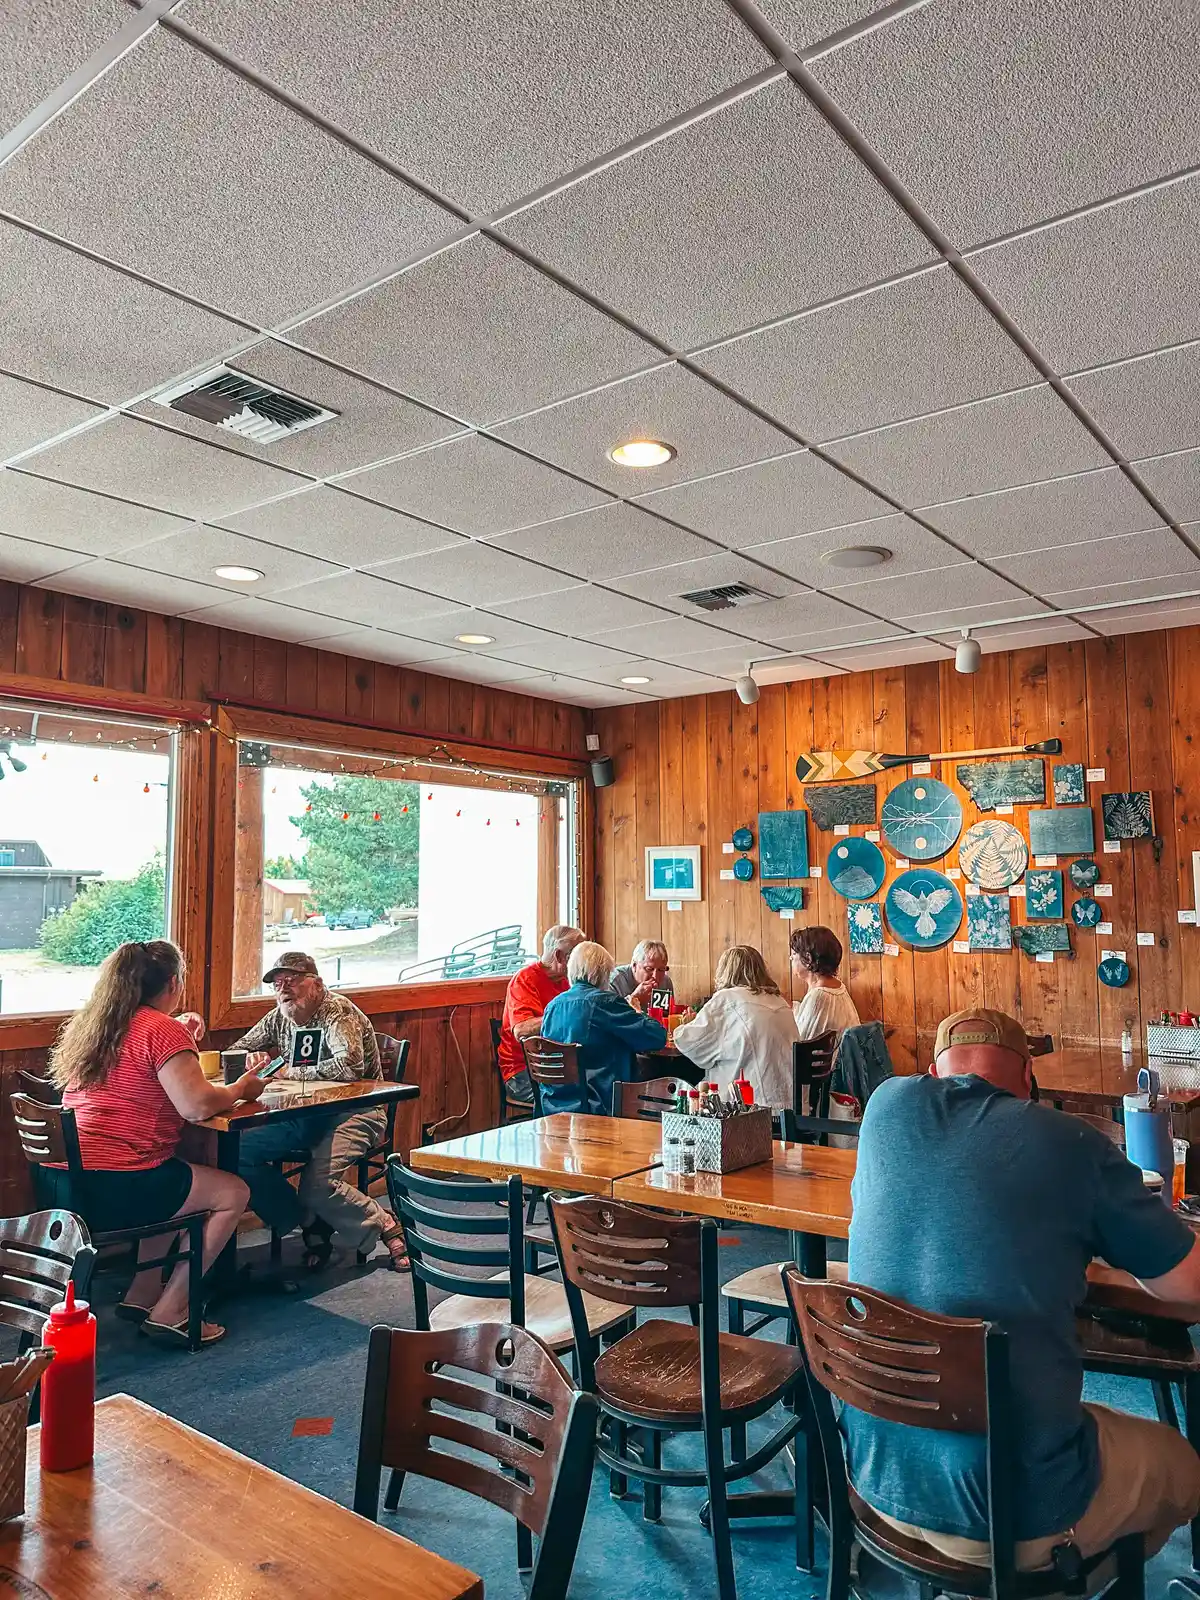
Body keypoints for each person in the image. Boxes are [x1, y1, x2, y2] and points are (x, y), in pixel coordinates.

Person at [845, 1007, 1200, 1570]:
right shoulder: (1071, 1142)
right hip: (1013, 1513)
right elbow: (1189, 1287)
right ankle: (1064, 1575)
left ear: (934, 1073)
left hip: (873, 1478)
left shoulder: (885, 1108)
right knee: (1181, 1464)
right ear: (1028, 1080)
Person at [47, 939, 259, 1348]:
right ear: (175, 983)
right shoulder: (162, 1030)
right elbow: (197, 1106)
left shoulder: (97, 1024)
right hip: (117, 1186)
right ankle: (174, 1309)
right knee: (233, 1192)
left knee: (169, 1170)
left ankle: (142, 1294)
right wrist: (238, 1089)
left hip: (64, 1181)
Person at [231, 951, 409, 1271]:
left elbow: (349, 1066)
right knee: (237, 1153)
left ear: (316, 983)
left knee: (318, 1185)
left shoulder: (336, 1012)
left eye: (293, 981)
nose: (284, 989)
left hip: (356, 1111)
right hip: (302, 1114)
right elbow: (240, 1046)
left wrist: (289, 1073)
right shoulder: (281, 1015)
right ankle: (305, 1220)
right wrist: (248, 1056)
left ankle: (383, 1223)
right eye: (278, 984)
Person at [539, 940, 667, 1115]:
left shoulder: (552, 1007)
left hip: (553, 1106)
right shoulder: (606, 1002)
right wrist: (636, 1008)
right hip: (601, 1106)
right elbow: (657, 1036)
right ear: (604, 973)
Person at [670, 945, 798, 1107]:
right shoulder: (779, 1000)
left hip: (746, 1109)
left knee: (685, 1097)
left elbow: (691, 1044)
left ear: (725, 971)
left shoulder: (728, 999)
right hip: (789, 1106)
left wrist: (686, 1024)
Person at [497, 924, 585, 1104]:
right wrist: (562, 1015)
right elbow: (521, 1030)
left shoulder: (566, 982)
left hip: (558, 1065)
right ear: (560, 956)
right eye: (578, 957)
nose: (581, 963)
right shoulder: (524, 980)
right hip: (524, 1072)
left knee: (603, 1087)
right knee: (579, 1097)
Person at [789, 925, 860, 1040]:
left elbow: (800, 1045)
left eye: (793, 954)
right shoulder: (837, 986)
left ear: (808, 959)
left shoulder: (819, 996)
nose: (791, 958)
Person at [610, 939, 674, 1007]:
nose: (655, 976)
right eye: (649, 969)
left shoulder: (666, 982)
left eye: (661, 970)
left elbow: (668, 1015)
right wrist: (634, 998)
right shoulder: (615, 981)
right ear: (634, 965)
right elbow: (608, 1015)